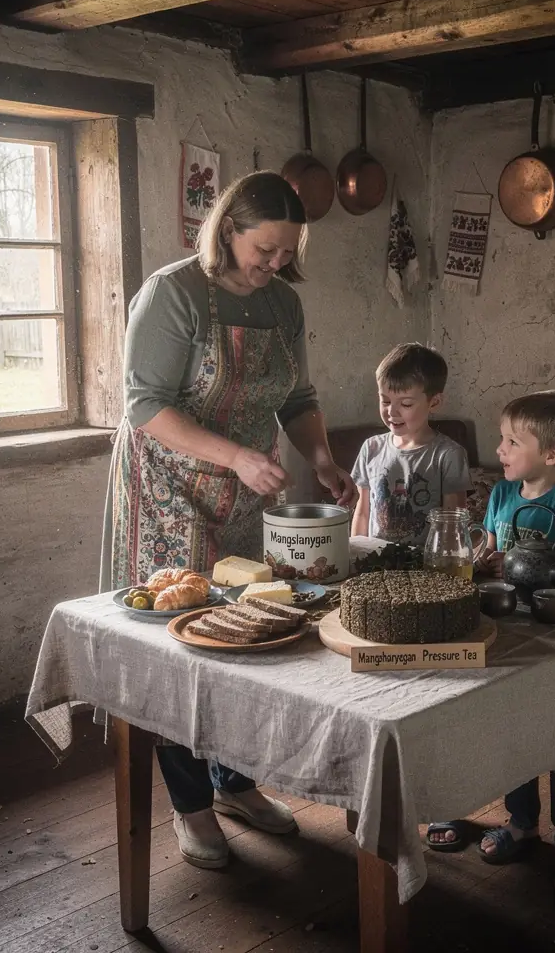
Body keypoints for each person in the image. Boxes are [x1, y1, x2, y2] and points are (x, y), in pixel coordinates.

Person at [100, 171, 355, 870]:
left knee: (245, 631)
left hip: (245, 489)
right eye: (263, 250)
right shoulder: (174, 293)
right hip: (169, 488)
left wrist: (323, 461)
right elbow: (144, 406)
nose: (275, 264)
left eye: (286, 252)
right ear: (228, 230)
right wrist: (238, 454)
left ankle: (235, 782)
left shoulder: (283, 303)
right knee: (181, 646)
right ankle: (190, 808)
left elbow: (297, 395)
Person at [430, 392, 555, 894]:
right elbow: (488, 548)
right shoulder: (502, 496)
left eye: (512, 441)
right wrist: (481, 557)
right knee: (514, 733)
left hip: (552, 639)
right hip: (506, 632)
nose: (500, 449)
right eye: (502, 438)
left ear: (551, 455)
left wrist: (553, 566)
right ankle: (521, 823)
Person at [350, 343, 470, 544]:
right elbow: (363, 512)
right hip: (377, 566)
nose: (392, 412)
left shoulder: (448, 454)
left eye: (405, 404)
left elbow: (453, 525)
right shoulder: (371, 448)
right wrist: (355, 556)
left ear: (434, 402)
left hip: (425, 568)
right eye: (385, 401)